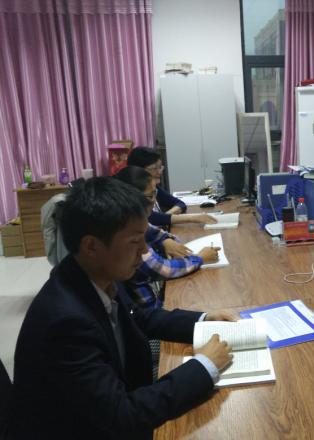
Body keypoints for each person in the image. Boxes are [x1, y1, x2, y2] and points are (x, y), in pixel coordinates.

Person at [9, 177, 234, 439]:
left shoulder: (94, 274)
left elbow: (142, 318)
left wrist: (205, 318)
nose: (145, 249)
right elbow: (122, 416)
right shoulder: (65, 322)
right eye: (135, 241)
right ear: (91, 246)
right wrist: (204, 366)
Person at [114, 166, 219, 309]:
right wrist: (200, 258)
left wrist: (166, 241)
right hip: (151, 313)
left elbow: (159, 233)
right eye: (150, 196)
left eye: (155, 193)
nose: (154, 201)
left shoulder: (137, 222)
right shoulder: (127, 236)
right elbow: (164, 269)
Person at [127, 146, 215, 229]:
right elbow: (149, 218)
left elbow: (180, 204)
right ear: (138, 171)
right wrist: (192, 218)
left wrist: (164, 217)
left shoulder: (154, 188)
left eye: (160, 167)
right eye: (154, 168)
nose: (159, 172)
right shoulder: (132, 193)